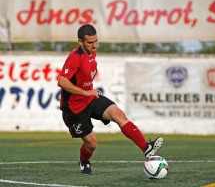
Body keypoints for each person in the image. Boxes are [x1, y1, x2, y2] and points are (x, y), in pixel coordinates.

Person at [57, 24, 163, 175]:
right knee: (92, 145)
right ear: (80, 42)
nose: (94, 46)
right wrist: (85, 92)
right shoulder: (75, 57)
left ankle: (146, 149)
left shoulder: (92, 52)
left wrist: (88, 94)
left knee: (118, 114)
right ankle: (84, 161)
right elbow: (61, 81)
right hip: (74, 109)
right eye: (90, 42)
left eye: (96, 41)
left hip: (90, 99)